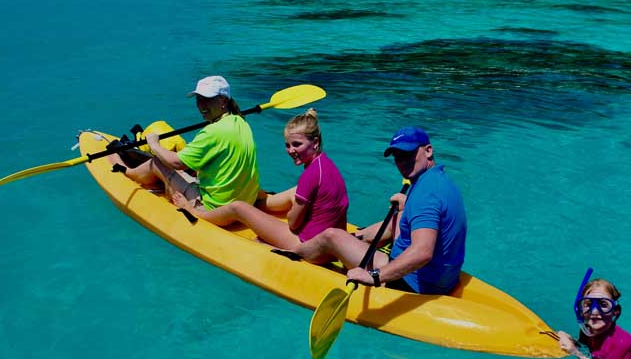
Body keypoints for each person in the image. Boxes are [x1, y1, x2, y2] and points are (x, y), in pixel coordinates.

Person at [298, 126, 466, 294]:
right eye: (398, 157)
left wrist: (375, 276)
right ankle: (357, 238)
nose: (402, 162)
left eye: (409, 154)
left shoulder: (425, 196)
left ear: (428, 151)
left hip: (411, 283)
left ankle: (294, 252)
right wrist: (407, 207)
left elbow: (422, 252)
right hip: (442, 279)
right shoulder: (439, 179)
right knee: (400, 216)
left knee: (331, 236)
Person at [172, 109, 349, 255]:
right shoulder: (326, 164)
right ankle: (259, 203)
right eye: (287, 145)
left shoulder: (309, 176)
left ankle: (195, 212)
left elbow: (293, 223)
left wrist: (294, 211)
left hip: (308, 246)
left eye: (296, 144)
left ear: (315, 142)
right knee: (294, 193)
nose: (291, 150)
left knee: (238, 207)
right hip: (328, 245)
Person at [113, 75, 260, 210]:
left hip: (213, 207)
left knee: (157, 162)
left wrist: (154, 144)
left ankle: (129, 172)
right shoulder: (241, 121)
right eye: (198, 99)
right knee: (186, 163)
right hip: (244, 201)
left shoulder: (212, 132)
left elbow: (176, 163)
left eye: (206, 99)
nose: (201, 105)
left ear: (222, 100)